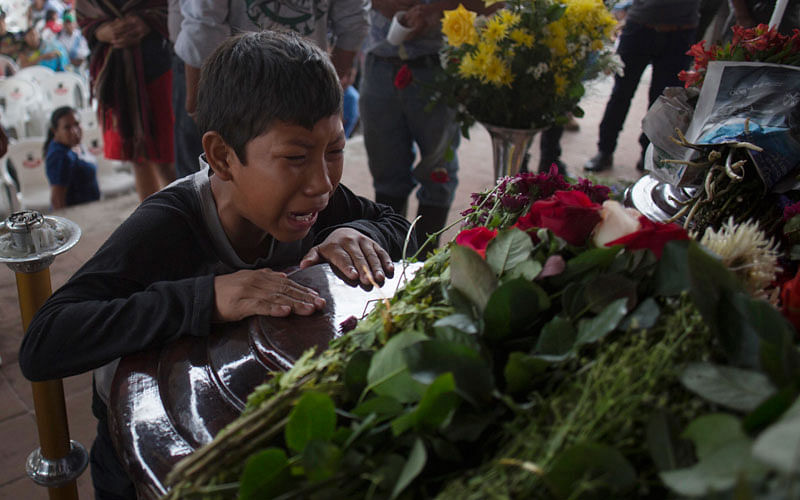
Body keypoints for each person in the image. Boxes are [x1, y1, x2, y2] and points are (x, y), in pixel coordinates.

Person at [19, 30, 414, 500]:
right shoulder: (167, 226)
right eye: (295, 157)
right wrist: (206, 298)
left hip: (238, 412)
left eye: (335, 151)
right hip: (140, 448)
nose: (323, 183)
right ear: (223, 156)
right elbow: (45, 341)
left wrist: (359, 233)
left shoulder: (318, 202)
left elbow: (399, 226)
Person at [359, 0, 494, 254]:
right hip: (379, 63)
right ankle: (392, 257)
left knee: (437, 172)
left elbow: (489, 5)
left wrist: (433, 10)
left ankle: (423, 262)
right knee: (386, 172)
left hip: (437, 66)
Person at [174, 0, 369, 164]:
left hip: (232, 88)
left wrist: (197, 100)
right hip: (301, 85)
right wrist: (325, 89)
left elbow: (204, 24)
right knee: (296, 171)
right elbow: (354, 23)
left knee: (211, 182)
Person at [583, 0, 699, 173]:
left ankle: (649, 155)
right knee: (621, 92)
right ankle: (604, 150)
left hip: (680, 32)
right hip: (640, 26)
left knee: (665, 102)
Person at [77, 0, 176, 201]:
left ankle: (186, 219)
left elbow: (174, 8)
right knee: (138, 158)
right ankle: (152, 223)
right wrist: (101, 31)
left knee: (167, 156)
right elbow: (85, 18)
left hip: (158, 70)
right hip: (117, 78)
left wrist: (146, 22)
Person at [43, 105, 100, 209]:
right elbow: (57, 201)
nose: (74, 131)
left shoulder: (72, 145)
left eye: (77, 124)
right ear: (55, 131)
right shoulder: (60, 157)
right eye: (67, 127)